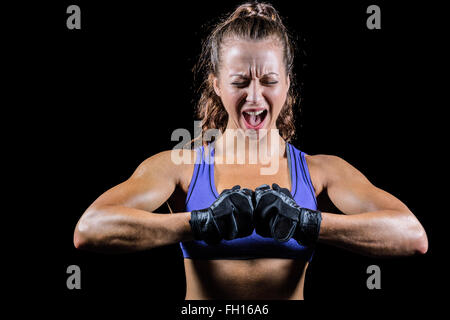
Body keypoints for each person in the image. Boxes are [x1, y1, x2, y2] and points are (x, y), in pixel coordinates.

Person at [73, 2, 428, 300]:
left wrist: (308, 223)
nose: (255, 97)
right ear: (216, 84)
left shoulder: (322, 171)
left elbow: (411, 235)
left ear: (287, 84)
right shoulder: (181, 167)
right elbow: (91, 229)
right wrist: (199, 223)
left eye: (269, 81)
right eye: (239, 82)